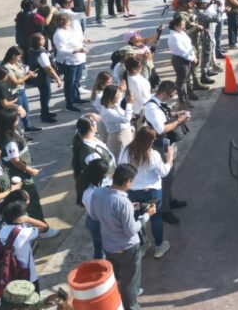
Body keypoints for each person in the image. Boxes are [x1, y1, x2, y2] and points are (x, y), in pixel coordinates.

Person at [91, 164, 154, 310]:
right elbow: (131, 230)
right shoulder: (123, 202)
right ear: (127, 182)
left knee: (116, 278)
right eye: (132, 181)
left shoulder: (98, 193)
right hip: (127, 249)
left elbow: (94, 215)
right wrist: (146, 216)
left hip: (109, 246)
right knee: (130, 284)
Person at [0, 108, 59, 238]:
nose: (18, 118)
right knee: (32, 200)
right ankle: (42, 229)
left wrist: (18, 108)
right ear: (11, 121)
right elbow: (15, 160)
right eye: (16, 117)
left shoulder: (6, 131)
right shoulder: (10, 140)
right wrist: (29, 169)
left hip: (18, 172)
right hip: (20, 175)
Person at [119, 126, 173, 258]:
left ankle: (143, 244)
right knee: (156, 219)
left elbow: (120, 166)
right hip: (152, 192)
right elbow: (164, 173)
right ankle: (159, 247)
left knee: (136, 218)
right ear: (150, 141)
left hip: (132, 192)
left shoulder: (126, 150)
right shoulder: (153, 155)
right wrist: (170, 158)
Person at [142, 81, 190, 223]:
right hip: (161, 145)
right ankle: (164, 210)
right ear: (164, 93)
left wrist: (176, 114)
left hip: (168, 144)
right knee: (165, 177)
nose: (172, 96)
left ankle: (169, 200)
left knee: (170, 176)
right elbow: (161, 129)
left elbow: (164, 114)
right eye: (171, 94)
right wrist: (179, 121)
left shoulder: (158, 103)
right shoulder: (152, 108)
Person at [0, 199, 49, 292]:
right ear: (20, 217)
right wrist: (28, 219)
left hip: (7, 279)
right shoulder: (23, 233)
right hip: (28, 277)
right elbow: (44, 227)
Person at [53, 13, 90, 113]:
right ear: (63, 22)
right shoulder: (59, 34)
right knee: (69, 83)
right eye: (68, 20)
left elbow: (76, 39)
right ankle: (69, 104)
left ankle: (76, 97)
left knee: (76, 81)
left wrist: (85, 41)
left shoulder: (69, 29)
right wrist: (77, 50)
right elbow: (61, 50)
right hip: (69, 62)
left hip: (78, 59)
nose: (70, 22)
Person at [167, 18, 198, 108]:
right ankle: (182, 102)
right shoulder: (174, 37)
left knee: (186, 80)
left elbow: (189, 45)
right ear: (176, 26)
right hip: (180, 60)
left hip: (187, 59)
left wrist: (193, 56)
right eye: (182, 26)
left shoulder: (181, 33)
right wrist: (192, 58)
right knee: (181, 82)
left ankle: (185, 99)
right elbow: (181, 51)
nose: (184, 28)